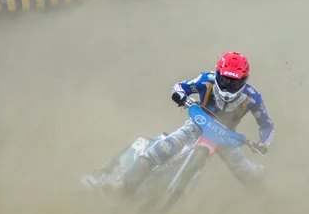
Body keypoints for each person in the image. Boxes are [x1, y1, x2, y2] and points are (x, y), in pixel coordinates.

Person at [117, 51, 274, 196]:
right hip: (197, 124)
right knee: (162, 148)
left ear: (244, 80)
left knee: (244, 171)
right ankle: (123, 187)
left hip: (225, 136)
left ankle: (265, 198)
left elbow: (267, 125)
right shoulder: (206, 80)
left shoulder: (252, 97)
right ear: (218, 74)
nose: (228, 86)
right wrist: (181, 97)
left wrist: (262, 143)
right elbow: (179, 87)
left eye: (234, 83)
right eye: (225, 80)